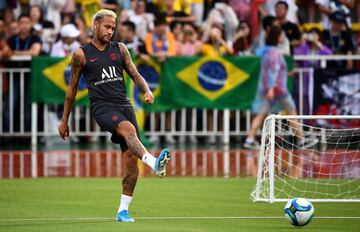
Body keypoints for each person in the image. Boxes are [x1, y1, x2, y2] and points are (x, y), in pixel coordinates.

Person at [58, 9, 171, 222]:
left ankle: (122, 211)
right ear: (95, 26)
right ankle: (154, 163)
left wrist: (146, 90)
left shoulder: (120, 49)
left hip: (124, 106)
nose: (110, 31)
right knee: (128, 130)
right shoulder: (81, 54)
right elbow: (71, 90)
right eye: (106, 27)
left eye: (113, 27)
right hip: (102, 108)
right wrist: (65, 120)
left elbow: (135, 74)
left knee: (131, 164)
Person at [244, 26, 305, 149]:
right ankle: (301, 140)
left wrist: (287, 74)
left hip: (267, 88)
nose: (283, 37)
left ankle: (249, 139)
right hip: (278, 89)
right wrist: (272, 88)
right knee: (291, 110)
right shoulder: (275, 53)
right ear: (277, 37)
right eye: (282, 35)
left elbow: (273, 69)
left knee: (261, 114)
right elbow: (274, 70)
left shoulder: (265, 51)